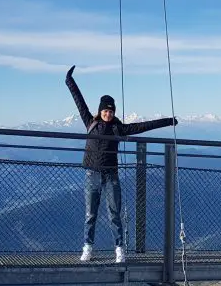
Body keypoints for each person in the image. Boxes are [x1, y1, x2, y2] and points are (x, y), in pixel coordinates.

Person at [66, 65, 178, 263]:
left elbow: (144, 126)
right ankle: (88, 248)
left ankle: (119, 250)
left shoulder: (119, 128)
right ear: (100, 111)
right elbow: (79, 101)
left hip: (110, 175)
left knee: (114, 214)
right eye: (105, 110)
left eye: (110, 111)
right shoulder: (89, 122)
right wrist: (69, 80)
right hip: (93, 173)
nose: (108, 113)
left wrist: (169, 121)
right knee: (90, 214)